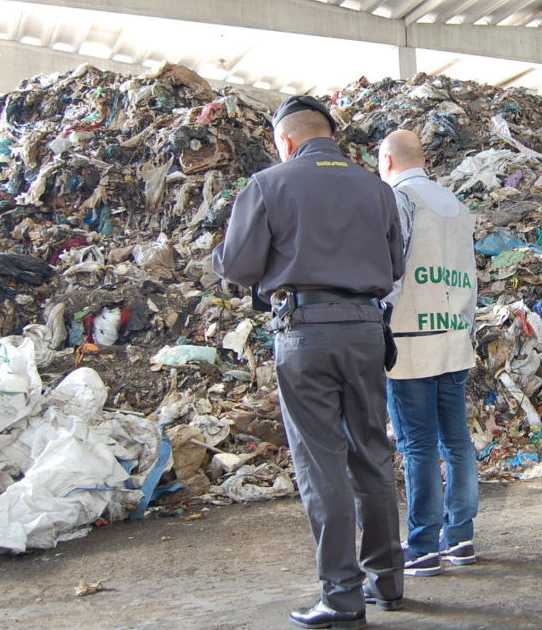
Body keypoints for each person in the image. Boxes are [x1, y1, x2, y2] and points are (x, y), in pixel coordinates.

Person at [212, 95, 405, 630]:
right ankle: (387, 582)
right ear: (330, 136)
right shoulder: (376, 187)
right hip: (367, 330)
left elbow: (238, 265)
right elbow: (394, 264)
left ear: (287, 140)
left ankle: (342, 598)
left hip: (305, 332)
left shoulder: (270, 184)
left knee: (321, 462)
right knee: (371, 452)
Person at [377, 130, 480, 577]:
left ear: (386, 161)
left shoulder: (398, 200)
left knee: (418, 446)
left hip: (410, 344)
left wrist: (376, 318)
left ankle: (421, 545)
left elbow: (390, 271)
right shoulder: (456, 206)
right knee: (456, 442)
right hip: (454, 339)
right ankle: (460, 537)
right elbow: (471, 279)